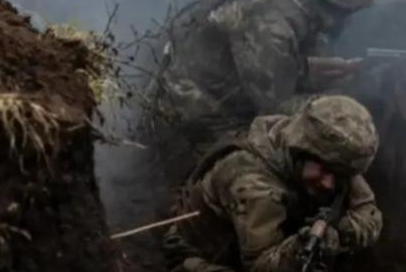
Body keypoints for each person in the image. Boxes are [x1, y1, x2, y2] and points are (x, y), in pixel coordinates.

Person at [149, 0, 379, 146]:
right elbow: (275, 107)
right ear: (329, 3)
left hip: (222, 84)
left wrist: (314, 69)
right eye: (349, 10)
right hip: (197, 113)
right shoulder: (268, 21)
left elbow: (271, 62)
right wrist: (340, 103)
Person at [163, 95, 382, 272]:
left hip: (262, 239)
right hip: (201, 258)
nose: (329, 184)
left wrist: (341, 234)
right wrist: (300, 249)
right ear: (302, 150)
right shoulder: (252, 185)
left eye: (340, 175)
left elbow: (368, 210)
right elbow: (260, 266)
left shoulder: (327, 153)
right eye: (325, 171)